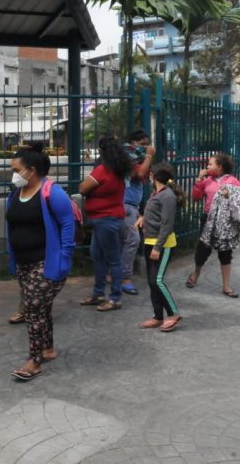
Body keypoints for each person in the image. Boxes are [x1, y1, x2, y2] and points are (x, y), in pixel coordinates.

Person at [5, 144, 74, 381]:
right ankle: (48, 349)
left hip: (48, 262)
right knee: (41, 307)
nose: (12, 173)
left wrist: (64, 260)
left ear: (31, 170)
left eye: (16, 169)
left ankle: (34, 361)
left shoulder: (52, 193)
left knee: (33, 307)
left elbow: (67, 226)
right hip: (24, 263)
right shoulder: (16, 193)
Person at [79, 137, 134, 311]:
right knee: (97, 254)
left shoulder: (103, 170)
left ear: (102, 151)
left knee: (112, 259)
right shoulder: (119, 170)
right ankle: (98, 293)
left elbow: (82, 188)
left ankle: (115, 297)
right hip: (108, 219)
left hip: (105, 219)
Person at [135, 162, 185, 332]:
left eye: (150, 174)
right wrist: (143, 218)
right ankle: (158, 316)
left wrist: (158, 247)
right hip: (150, 242)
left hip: (162, 245)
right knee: (151, 281)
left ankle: (173, 313)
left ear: (154, 176)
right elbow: (154, 214)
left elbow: (167, 224)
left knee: (157, 280)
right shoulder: (157, 193)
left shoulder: (168, 196)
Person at [186, 153, 240, 298]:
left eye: (211, 164)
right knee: (202, 250)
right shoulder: (207, 181)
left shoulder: (233, 181)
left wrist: (229, 196)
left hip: (225, 220)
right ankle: (195, 274)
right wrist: (199, 180)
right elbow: (196, 197)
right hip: (208, 218)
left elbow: (239, 200)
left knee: (225, 252)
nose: (208, 167)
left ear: (220, 166)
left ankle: (226, 286)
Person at [120, 129, 155, 297]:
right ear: (133, 143)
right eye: (142, 144)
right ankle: (124, 278)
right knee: (133, 239)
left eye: (146, 144)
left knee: (123, 240)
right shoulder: (128, 155)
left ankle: (113, 273)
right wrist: (149, 155)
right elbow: (139, 173)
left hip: (131, 205)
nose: (145, 147)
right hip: (125, 204)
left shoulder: (136, 156)